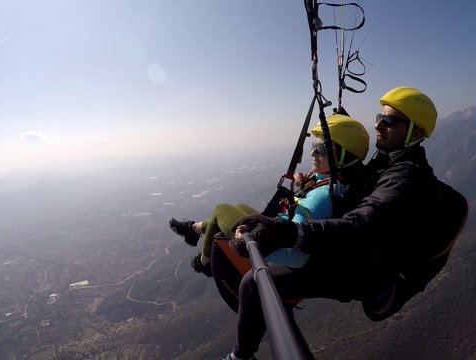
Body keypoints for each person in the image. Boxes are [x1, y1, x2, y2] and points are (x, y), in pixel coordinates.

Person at [220, 86, 444, 360]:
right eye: (379, 116)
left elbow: (361, 224)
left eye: (389, 120)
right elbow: (355, 175)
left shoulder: (406, 177)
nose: (377, 125)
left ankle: (240, 358)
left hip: (360, 270)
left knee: (252, 284)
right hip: (352, 253)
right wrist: (317, 174)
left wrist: (289, 232)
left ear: (417, 133)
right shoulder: (388, 160)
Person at [168, 114, 370, 278]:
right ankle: (193, 230)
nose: (313, 154)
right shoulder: (336, 184)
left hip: (271, 246)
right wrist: (304, 183)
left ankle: (204, 263)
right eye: (313, 147)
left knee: (222, 209)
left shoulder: (320, 197)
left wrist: (259, 245)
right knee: (238, 206)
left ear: (345, 155)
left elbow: (297, 254)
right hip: (276, 228)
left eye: (322, 149)